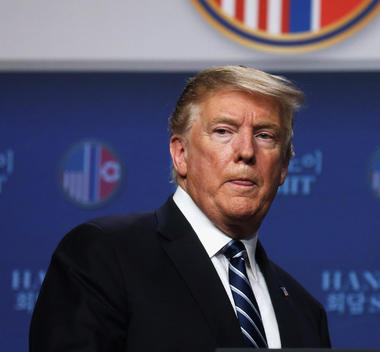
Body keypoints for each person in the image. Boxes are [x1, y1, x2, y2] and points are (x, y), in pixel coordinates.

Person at [29, 66, 331, 351]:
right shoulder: (103, 255)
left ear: (283, 168)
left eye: (265, 135)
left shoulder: (305, 313)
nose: (246, 152)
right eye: (223, 131)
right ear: (181, 154)